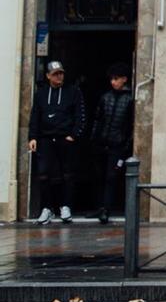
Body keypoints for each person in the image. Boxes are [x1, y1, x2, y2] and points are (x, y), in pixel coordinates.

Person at [27, 60, 86, 224]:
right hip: (45, 139)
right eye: (55, 74)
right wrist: (32, 137)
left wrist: (73, 135)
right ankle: (47, 208)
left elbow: (79, 115)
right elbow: (35, 116)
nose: (59, 76)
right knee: (44, 173)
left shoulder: (73, 92)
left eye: (61, 73)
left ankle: (65, 206)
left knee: (67, 173)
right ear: (47, 76)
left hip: (65, 138)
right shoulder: (40, 94)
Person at [91, 64, 136, 224]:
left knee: (111, 177)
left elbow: (131, 125)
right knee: (100, 176)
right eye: (111, 79)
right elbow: (98, 119)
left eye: (116, 79)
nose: (113, 82)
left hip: (117, 144)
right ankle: (99, 206)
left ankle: (106, 209)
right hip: (102, 142)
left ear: (124, 79)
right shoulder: (106, 97)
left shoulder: (130, 99)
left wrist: (126, 145)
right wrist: (94, 138)